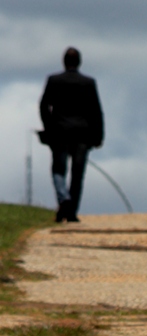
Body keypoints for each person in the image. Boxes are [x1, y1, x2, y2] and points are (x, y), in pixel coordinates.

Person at [39, 47, 104, 223]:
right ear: (79, 62)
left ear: (64, 61)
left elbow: (44, 106)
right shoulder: (88, 83)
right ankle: (71, 210)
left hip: (59, 133)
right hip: (83, 134)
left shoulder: (54, 80)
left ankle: (64, 199)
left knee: (58, 170)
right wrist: (99, 136)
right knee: (77, 174)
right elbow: (96, 111)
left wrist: (48, 127)